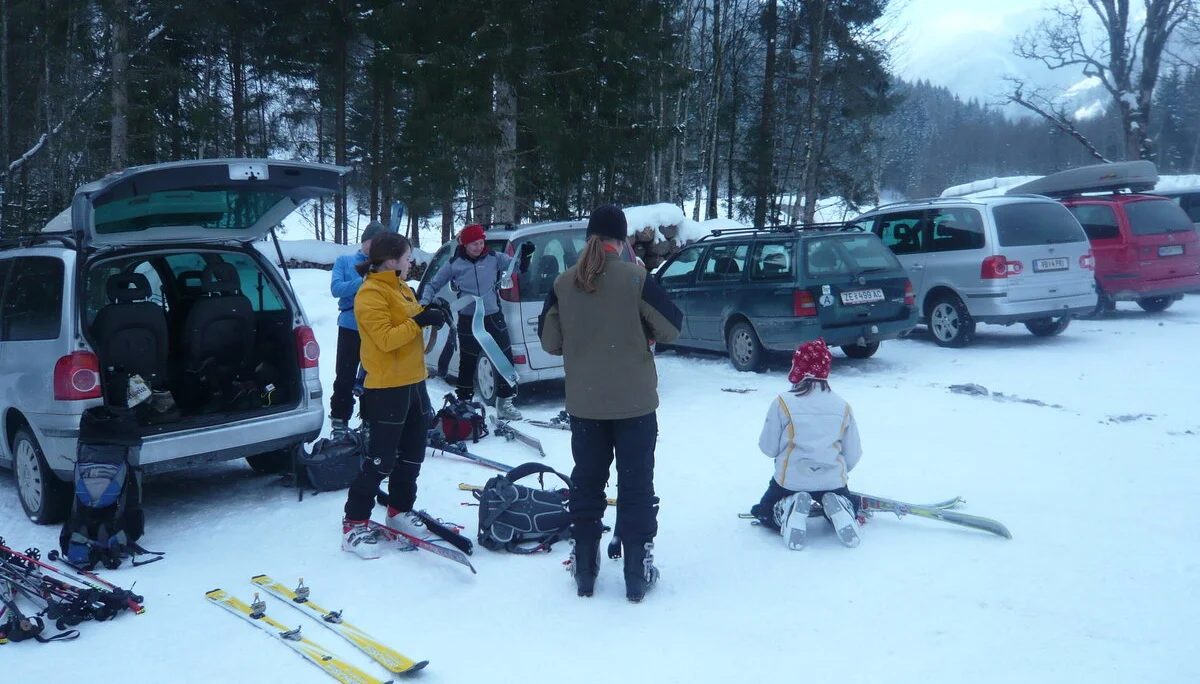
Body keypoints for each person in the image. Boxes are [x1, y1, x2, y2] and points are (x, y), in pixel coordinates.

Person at [538, 204, 683, 602]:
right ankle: (636, 572)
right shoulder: (637, 278)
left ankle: (585, 568)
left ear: (589, 238)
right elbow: (671, 327)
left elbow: (550, 341)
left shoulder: (563, 283)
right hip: (635, 404)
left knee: (587, 483)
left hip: (586, 405)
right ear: (621, 241)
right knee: (636, 485)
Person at [340, 232, 449, 559]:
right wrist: (419, 320)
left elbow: (412, 317)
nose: (411, 262)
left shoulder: (401, 287)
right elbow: (386, 339)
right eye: (407, 257)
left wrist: (431, 311)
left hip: (414, 382)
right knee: (381, 460)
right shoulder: (370, 294)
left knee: (413, 454)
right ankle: (353, 523)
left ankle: (399, 510)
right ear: (391, 261)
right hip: (386, 387)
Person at [749, 338, 863, 550]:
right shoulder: (842, 406)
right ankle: (842, 505)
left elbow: (768, 448)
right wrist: (838, 472)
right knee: (852, 502)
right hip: (832, 479)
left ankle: (787, 509)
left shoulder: (783, 402)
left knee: (763, 510)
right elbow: (853, 453)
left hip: (791, 480)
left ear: (798, 367)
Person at [419, 224, 522, 421]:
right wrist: (424, 302)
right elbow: (433, 284)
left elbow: (516, 267)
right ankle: (464, 403)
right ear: (465, 245)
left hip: (493, 317)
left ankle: (505, 403)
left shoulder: (494, 258)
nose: (479, 247)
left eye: (481, 243)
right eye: (474, 244)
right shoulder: (454, 264)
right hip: (469, 320)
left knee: (504, 359)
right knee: (467, 362)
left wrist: (525, 257)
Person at [328, 221, 387, 439]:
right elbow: (336, 289)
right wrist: (362, 281)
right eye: (374, 241)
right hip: (350, 324)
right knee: (345, 375)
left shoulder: (383, 264)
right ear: (365, 241)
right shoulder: (344, 261)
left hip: (374, 326)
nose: (376, 246)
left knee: (372, 376)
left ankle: (369, 421)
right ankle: (339, 422)